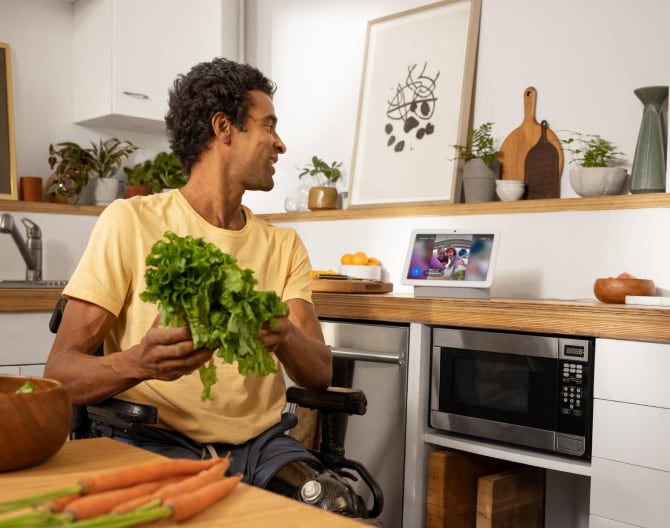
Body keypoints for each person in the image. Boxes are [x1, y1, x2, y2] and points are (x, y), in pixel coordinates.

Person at [44, 58, 333, 487]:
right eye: (268, 126)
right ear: (224, 128)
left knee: (332, 502)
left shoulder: (283, 244)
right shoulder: (130, 222)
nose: (280, 144)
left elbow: (320, 374)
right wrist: (141, 362)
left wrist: (286, 336)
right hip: (153, 440)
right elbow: (60, 374)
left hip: (263, 448)